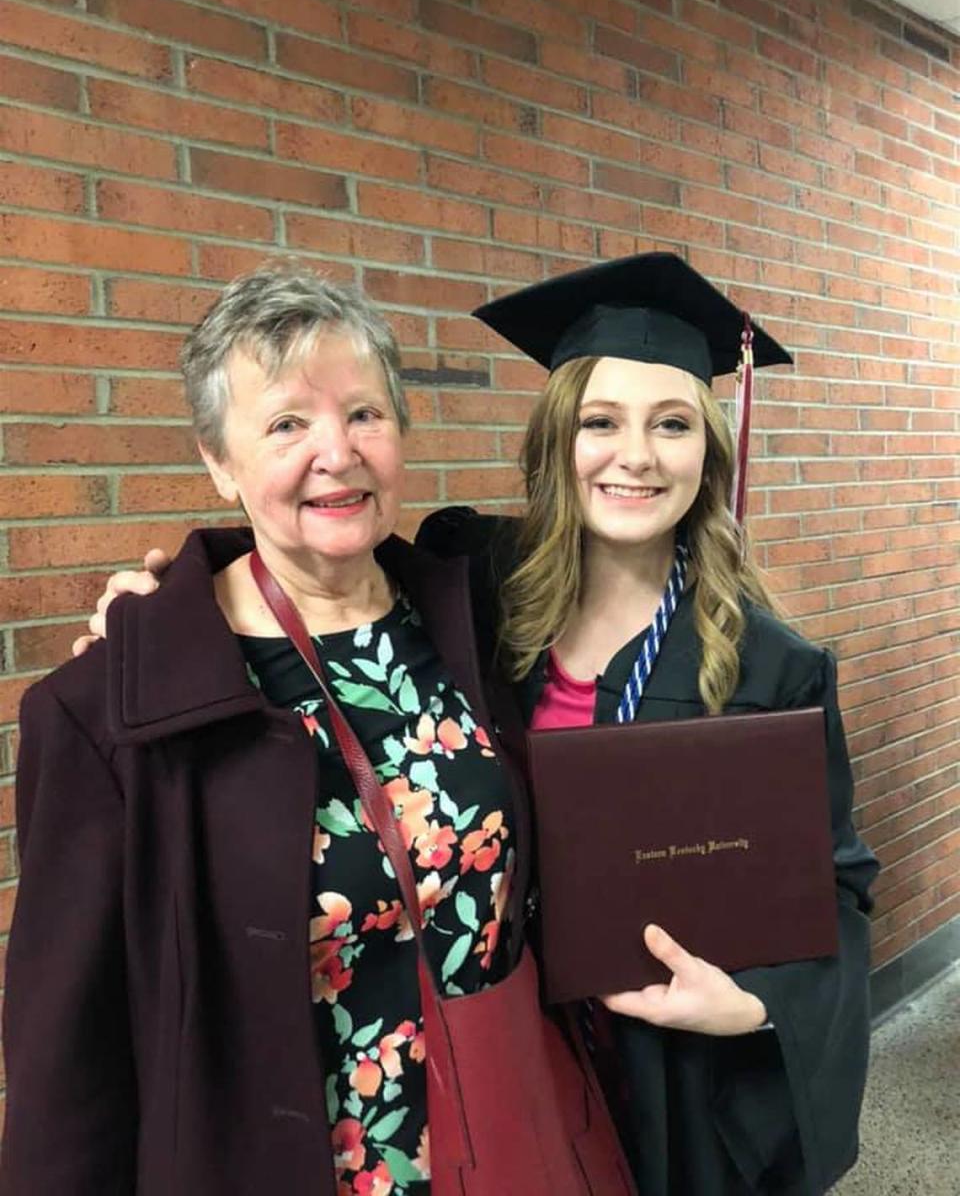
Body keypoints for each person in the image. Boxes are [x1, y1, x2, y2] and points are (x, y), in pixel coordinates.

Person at [70, 254, 878, 1194]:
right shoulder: (470, 586)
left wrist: (751, 1004)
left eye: (674, 425)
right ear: (554, 440)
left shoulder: (772, 667)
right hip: (512, 1048)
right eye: (600, 422)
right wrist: (165, 610)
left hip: (673, 1070)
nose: (638, 456)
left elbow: (837, 885)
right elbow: (313, 551)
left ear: (711, 451)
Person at [2, 266, 629, 1195]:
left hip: (509, 1130)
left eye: (366, 414)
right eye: (287, 423)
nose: (336, 452)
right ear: (218, 461)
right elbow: (67, 1064)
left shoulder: (474, 615)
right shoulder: (114, 711)